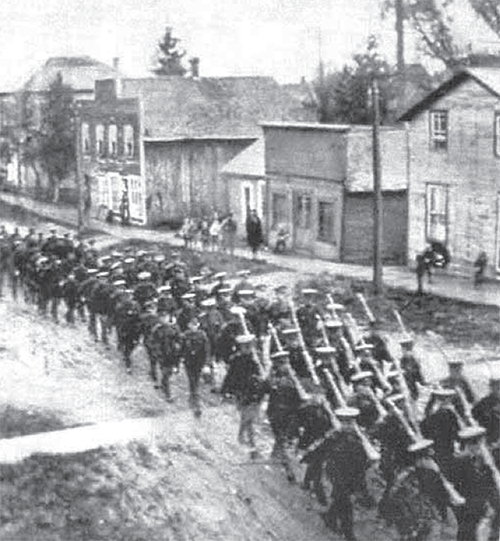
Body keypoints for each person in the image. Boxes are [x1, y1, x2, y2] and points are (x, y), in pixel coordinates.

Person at [450, 425, 499, 541]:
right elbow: (458, 487)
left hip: (486, 502)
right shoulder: (459, 461)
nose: (482, 446)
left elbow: (490, 480)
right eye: (480, 443)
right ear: (473, 444)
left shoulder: (482, 458)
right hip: (471, 506)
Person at [472, 376, 500, 466]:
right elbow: (474, 415)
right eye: (494, 387)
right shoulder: (483, 402)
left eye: (498, 387)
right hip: (488, 438)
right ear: (490, 387)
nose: (496, 389)